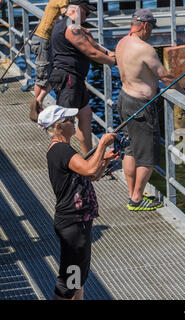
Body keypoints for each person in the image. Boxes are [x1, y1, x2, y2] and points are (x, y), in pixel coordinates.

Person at [38, 104, 118, 300]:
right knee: (69, 279)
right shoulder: (61, 150)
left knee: (78, 277)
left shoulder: (63, 149)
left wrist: (105, 159)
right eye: (68, 120)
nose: (74, 121)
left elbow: (91, 176)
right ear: (57, 127)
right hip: (72, 221)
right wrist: (102, 145)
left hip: (79, 220)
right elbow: (90, 170)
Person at [115, 9, 185, 211]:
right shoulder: (145, 49)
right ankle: (136, 199)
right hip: (140, 105)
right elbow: (164, 76)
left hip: (124, 99)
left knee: (129, 149)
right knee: (148, 155)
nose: (152, 32)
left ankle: (132, 192)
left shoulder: (122, 43)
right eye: (152, 28)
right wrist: (182, 93)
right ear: (145, 26)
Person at [49, 0, 116, 155]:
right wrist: (114, 62)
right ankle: (60, 159)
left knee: (85, 117)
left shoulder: (72, 25)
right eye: (86, 13)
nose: (87, 17)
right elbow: (91, 53)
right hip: (68, 79)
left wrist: (107, 53)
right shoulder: (70, 27)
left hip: (77, 79)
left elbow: (93, 46)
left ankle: (87, 157)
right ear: (78, 9)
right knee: (65, 123)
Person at [29, 0, 69, 122]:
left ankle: (38, 104)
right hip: (43, 40)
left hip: (45, 39)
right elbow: (67, 17)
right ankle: (37, 109)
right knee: (42, 78)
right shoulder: (63, 0)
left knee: (50, 74)